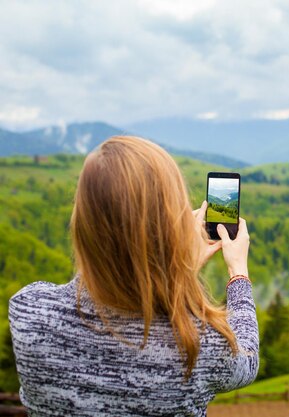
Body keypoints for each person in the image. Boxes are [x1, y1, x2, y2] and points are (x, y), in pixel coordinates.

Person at [8, 136, 259, 416]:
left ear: (83, 223)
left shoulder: (29, 314)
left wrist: (174, 263)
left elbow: (100, 277)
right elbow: (247, 359)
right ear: (171, 229)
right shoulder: (200, 346)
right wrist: (236, 272)